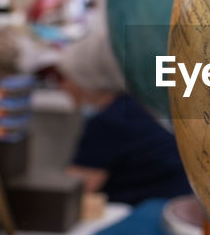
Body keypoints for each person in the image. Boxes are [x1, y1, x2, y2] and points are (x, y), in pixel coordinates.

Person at [57, 29, 192, 205]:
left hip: (151, 212)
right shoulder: (138, 104)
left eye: (65, 78)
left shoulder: (108, 123)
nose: (62, 86)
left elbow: (75, 189)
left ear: (86, 78)